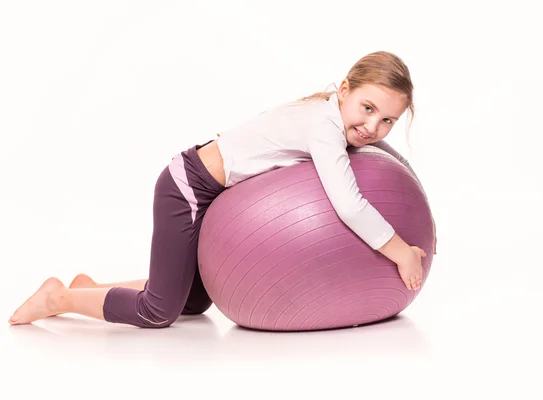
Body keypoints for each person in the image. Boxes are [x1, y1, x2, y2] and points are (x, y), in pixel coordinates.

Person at [8, 50, 437, 328]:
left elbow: (381, 154)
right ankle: (57, 298)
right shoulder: (323, 127)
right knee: (158, 311)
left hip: (208, 193)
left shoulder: (333, 116)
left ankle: (91, 287)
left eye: (387, 120)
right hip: (187, 188)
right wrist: (400, 250)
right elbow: (348, 204)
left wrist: (423, 215)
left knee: (195, 300)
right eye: (367, 108)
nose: (372, 127)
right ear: (344, 90)